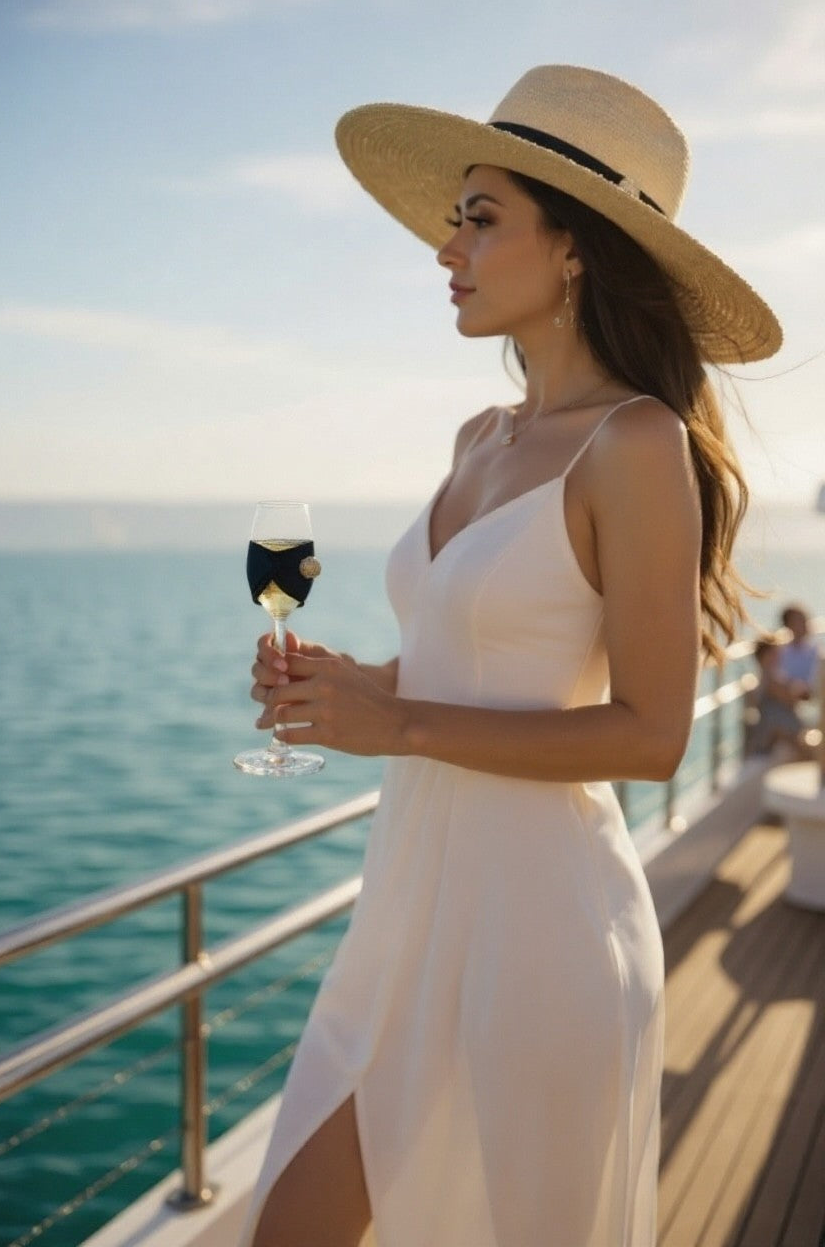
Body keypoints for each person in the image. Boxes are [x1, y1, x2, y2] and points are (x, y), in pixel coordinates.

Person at [238, 66, 781, 1247]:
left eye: (480, 219)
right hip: (404, 923)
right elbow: (450, 676)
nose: (449, 246)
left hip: (538, 941)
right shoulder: (479, 435)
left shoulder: (635, 444)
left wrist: (401, 726)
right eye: (455, 219)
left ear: (575, 248)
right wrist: (349, 687)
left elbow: (649, 734)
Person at [746, 637, 814, 760]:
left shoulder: (773, 676)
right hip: (776, 733)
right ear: (763, 657)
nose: (777, 656)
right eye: (773, 653)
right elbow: (791, 698)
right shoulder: (769, 679)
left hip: (783, 729)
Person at [777, 603, 820, 699]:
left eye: (804, 619)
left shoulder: (817, 650)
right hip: (790, 700)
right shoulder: (780, 652)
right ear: (788, 625)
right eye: (799, 621)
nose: (804, 624)